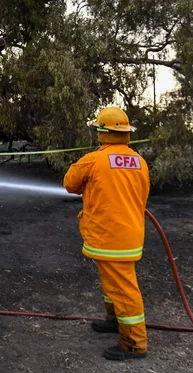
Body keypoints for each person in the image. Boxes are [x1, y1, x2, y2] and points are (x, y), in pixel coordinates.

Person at [63, 106, 150, 360]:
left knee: (123, 288)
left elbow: (70, 184)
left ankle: (134, 343)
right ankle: (115, 320)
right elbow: (142, 196)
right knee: (113, 283)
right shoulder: (139, 162)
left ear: (102, 131)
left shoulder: (94, 160)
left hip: (108, 237)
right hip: (129, 234)